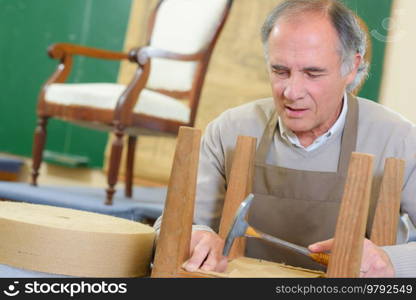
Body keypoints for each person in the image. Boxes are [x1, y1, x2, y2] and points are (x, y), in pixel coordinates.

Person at [154, 0, 416, 277]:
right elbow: (172, 226)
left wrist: (391, 261)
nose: (292, 92)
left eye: (313, 73)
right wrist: (196, 236)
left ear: (351, 67)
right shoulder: (229, 131)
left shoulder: (399, 141)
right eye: (280, 71)